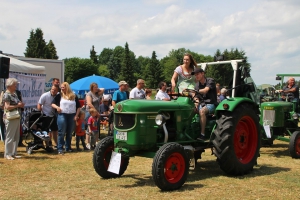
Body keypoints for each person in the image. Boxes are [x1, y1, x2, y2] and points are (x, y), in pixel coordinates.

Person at [52, 82, 81, 155]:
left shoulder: (74, 96)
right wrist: (57, 107)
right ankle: (60, 148)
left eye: (63, 87)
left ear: (67, 87)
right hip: (62, 114)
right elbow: (52, 103)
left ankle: (68, 147)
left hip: (72, 115)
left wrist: (76, 116)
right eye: (61, 87)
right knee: (61, 132)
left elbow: (78, 107)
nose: (61, 89)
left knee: (70, 132)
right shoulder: (59, 95)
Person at [2, 78, 25, 160]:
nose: (16, 86)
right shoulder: (6, 94)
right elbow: (7, 107)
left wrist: (21, 104)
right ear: (10, 85)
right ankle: (7, 154)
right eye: (15, 84)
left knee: (16, 136)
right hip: (10, 117)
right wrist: (18, 105)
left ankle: (14, 153)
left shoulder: (14, 93)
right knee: (10, 136)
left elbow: (17, 102)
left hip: (17, 116)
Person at [193, 68, 218, 141]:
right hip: (202, 104)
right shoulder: (197, 85)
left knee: (202, 111)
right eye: (195, 75)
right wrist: (196, 101)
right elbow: (195, 97)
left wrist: (195, 91)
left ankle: (202, 134)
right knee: (190, 110)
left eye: (197, 74)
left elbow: (205, 90)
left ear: (202, 73)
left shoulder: (210, 81)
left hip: (211, 104)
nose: (196, 76)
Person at [37, 85, 59, 149]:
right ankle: (48, 144)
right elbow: (39, 104)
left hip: (54, 116)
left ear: (57, 91)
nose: (53, 91)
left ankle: (56, 144)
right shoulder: (45, 95)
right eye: (52, 89)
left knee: (55, 130)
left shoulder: (58, 95)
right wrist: (40, 112)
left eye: (55, 90)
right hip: (46, 116)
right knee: (46, 131)